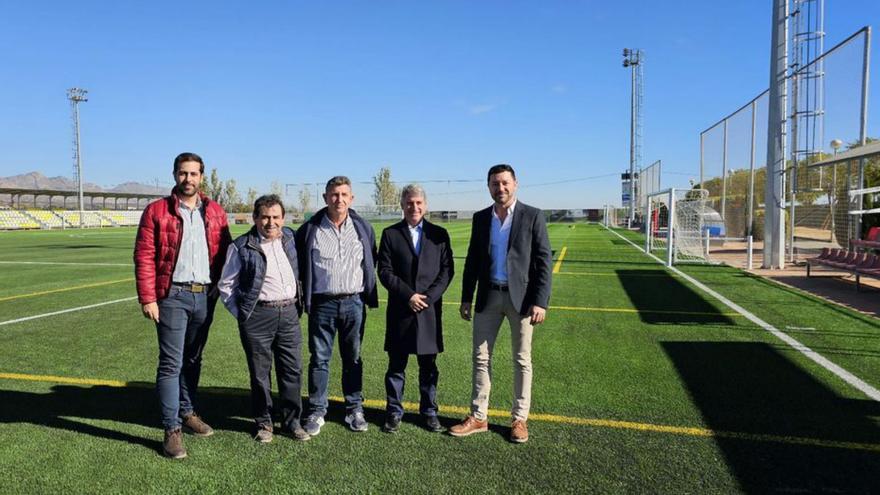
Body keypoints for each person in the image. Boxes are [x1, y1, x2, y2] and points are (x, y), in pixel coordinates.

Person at [133, 152, 232, 459]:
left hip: (204, 295)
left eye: (193, 174)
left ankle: (188, 413)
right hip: (172, 296)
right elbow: (144, 255)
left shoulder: (215, 211)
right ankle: (171, 429)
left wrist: (220, 288)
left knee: (193, 360)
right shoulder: (157, 211)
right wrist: (148, 297)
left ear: (201, 176)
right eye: (182, 173)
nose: (188, 179)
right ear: (174, 175)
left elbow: (226, 252)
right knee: (171, 363)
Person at [449, 164, 552, 444]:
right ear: (489, 186)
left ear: (515, 183)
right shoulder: (482, 218)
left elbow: (544, 262)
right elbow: (472, 260)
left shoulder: (532, 215)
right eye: (495, 184)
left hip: (522, 300)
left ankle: (519, 419)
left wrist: (540, 301)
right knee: (481, 358)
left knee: (521, 360)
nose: (501, 188)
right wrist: (467, 296)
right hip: (488, 296)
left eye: (505, 183)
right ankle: (479, 417)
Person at [217, 194, 311, 443]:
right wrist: (243, 314)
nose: (271, 222)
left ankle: (292, 422)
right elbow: (226, 285)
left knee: (292, 370)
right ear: (255, 218)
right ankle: (265, 423)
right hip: (257, 316)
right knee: (260, 373)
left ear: (283, 218)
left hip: (289, 313)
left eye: (276, 217)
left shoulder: (290, 238)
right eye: (265, 217)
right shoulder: (241, 246)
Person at [295, 176, 378, 435]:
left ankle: (354, 408)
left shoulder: (363, 227)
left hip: (354, 303)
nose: (339, 199)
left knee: (352, 358)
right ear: (325, 198)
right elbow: (299, 266)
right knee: (319, 359)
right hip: (322, 304)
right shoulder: (310, 229)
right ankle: (317, 410)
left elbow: (370, 260)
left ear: (351, 198)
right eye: (334, 194)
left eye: (344, 194)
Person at [376, 184, 454, 434]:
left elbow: (446, 271)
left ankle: (429, 412)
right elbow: (385, 272)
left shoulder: (440, 234)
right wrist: (408, 295)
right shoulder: (390, 234)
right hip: (401, 310)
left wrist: (428, 298)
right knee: (396, 366)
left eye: (419, 202)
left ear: (426, 205)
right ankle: (394, 412)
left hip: (428, 311)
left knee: (428, 366)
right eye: (409, 202)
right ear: (402, 205)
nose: (414, 207)